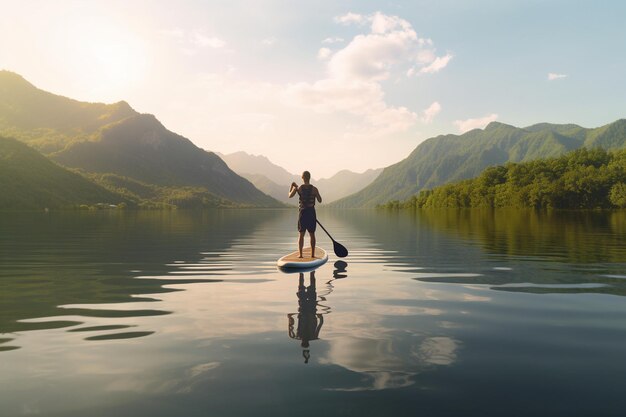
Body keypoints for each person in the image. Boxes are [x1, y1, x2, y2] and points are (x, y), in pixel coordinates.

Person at [288, 171, 322, 258]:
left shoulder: (298, 189)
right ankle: (313, 254)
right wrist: (315, 194)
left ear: (302, 178)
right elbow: (320, 200)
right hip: (311, 213)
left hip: (303, 213)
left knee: (301, 234)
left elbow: (289, 196)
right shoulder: (315, 189)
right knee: (312, 234)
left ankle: (300, 255)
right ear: (309, 178)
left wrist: (292, 187)